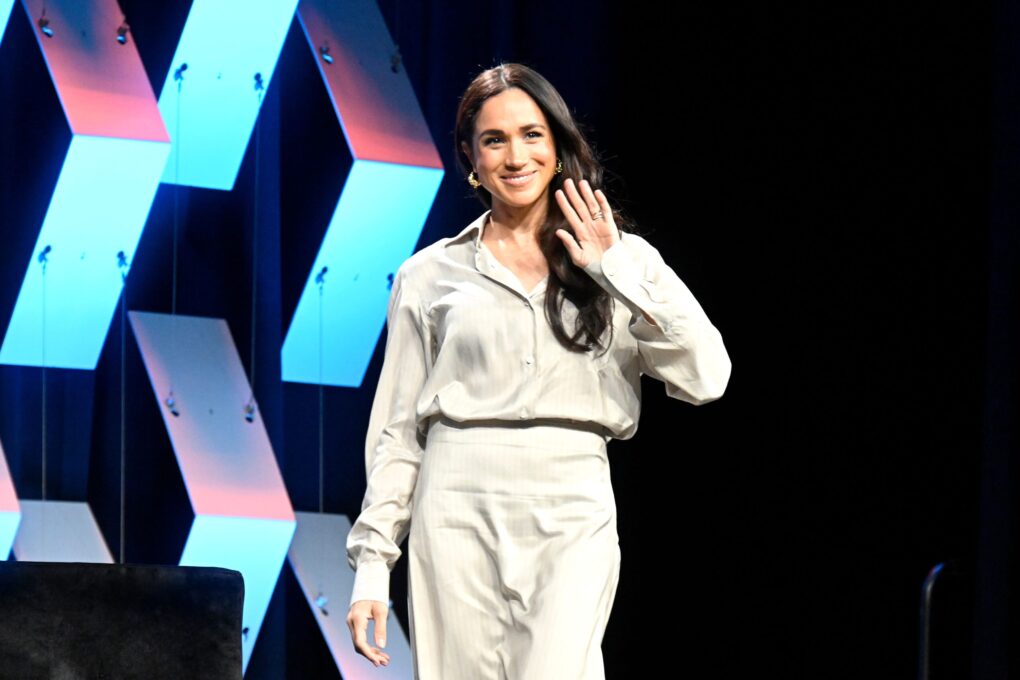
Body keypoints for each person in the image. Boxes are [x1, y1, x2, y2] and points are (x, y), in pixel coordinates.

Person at [345, 62, 732, 679]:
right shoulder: (428, 275)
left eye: (532, 134)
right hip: (455, 505)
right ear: (470, 155)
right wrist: (372, 563)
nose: (515, 155)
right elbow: (396, 433)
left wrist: (616, 275)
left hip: (572, 502)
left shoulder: (623, 258)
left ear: (558, 146)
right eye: (494, 139)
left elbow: (706, 376)